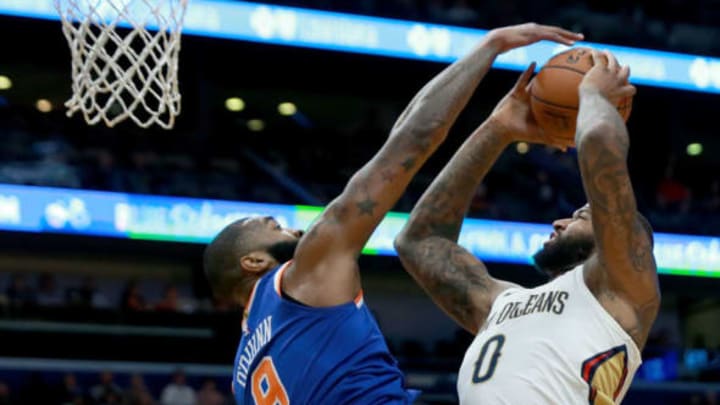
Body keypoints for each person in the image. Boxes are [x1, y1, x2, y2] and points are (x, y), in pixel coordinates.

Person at [202, 23, 582, 405]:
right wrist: (489, 46)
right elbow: (412, 137)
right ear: (252, 261)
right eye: (276, 226)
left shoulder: (243, 375)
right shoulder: (302, 274)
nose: (297, 231)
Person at [394, 49, 659, 404]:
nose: (559, 221)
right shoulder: (501, 303)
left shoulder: (622, 292)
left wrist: (593, 96)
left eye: (580, 215)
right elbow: (419, 241)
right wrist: (497, 129)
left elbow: (599, 145)